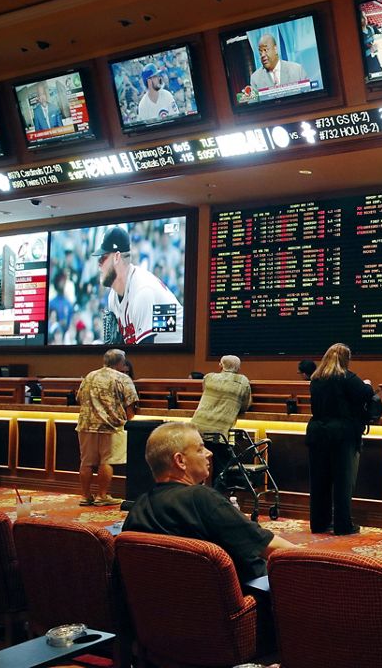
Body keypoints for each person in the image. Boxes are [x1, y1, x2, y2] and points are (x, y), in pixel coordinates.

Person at [123, 422, 296, 582]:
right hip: (242, 602)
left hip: (170, 606)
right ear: (180, 460)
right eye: (200, 449)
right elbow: (270, 547)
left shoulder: (138, 507)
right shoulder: (202, 498)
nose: (209, 453)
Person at [305, 343, 375, 535]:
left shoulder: (315, 379)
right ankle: (343, 525)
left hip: (317, 432)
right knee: (343, 481)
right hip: (342, 434)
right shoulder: (347, 378)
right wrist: (368, 384)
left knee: (319, 481)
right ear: (346, 360)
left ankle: (319, 523)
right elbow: (366, 394)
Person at [93, 226, 185, 344]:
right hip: (161, 355)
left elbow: (145, 356)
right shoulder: (113, 296)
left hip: (184, 354)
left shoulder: (142, 290)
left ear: (116, 257)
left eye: (103, 258)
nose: (99, 263)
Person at [75, 348, 137, 507]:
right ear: (121, 363)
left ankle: (85, 496)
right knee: (106, 461)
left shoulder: (90, 376)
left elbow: (79, 397)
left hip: (86, 424)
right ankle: (102, 496)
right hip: (110, 425)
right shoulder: (123, 378)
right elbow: (131, 405)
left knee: (86, 462)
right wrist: (128, 418)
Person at [191, 355, 253, 488]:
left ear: (220, 365)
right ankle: (216, 495)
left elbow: (205, 393)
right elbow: (245, 405)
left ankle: (198, 493)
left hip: (197, 428)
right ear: (238, 368)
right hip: (220, 433)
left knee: (199, 461)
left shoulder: (209, 377)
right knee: (221, 468)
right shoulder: (243, 381)